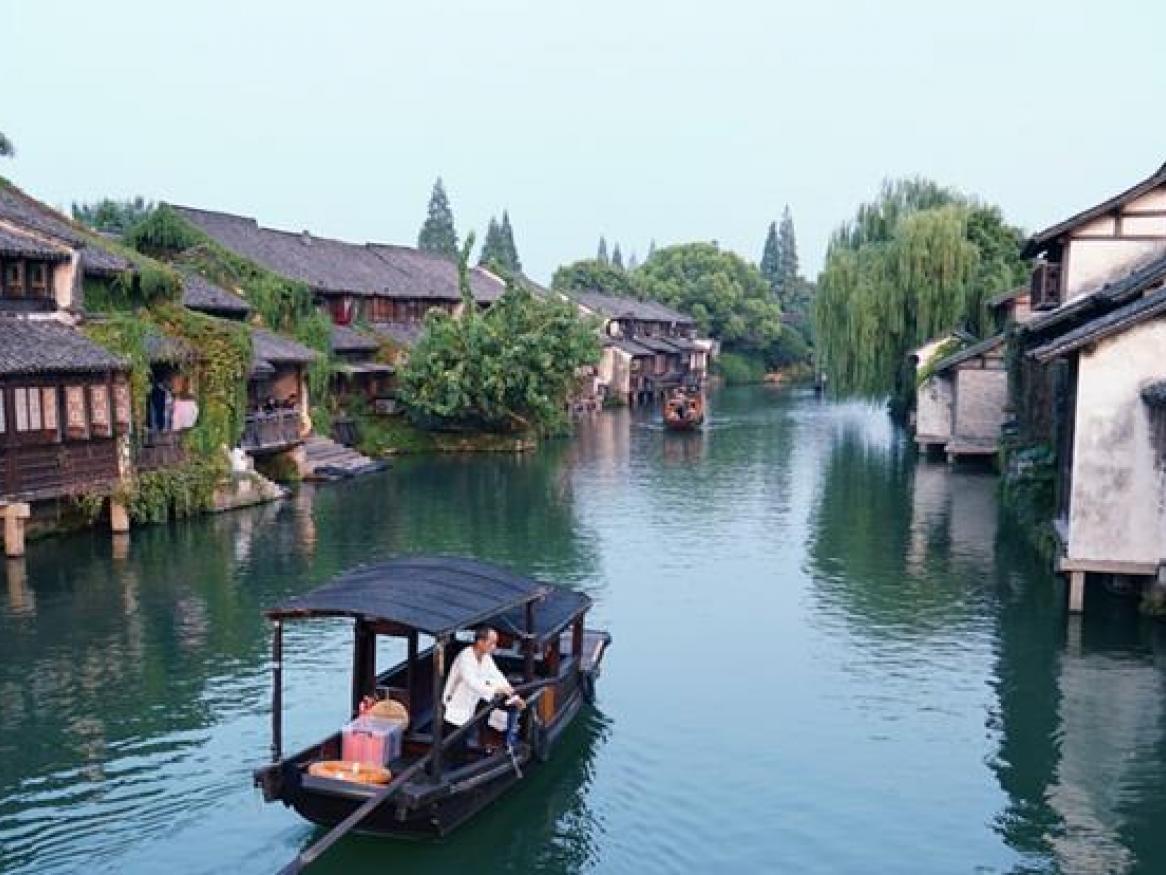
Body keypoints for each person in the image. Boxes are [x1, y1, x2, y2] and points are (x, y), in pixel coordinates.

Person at [441, 627, 525, 761]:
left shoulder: (485, 657)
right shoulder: (465, 657)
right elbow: (472, 682)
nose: (494, 647)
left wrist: (514, 696)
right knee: (453, 743)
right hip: (455, 705)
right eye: (491, 643)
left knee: (464, 736)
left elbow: (497, 676)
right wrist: (497, 690)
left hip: (472, 703)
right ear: (480, 642)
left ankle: (495, 743)